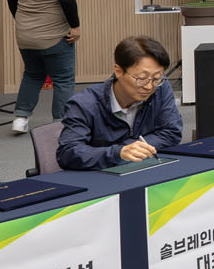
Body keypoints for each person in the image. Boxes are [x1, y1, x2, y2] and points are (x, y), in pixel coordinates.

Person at [55, 36, 183, 170]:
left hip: (145, 169)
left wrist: (132, 148)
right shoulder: (84, 104)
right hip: (101, 176)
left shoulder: (160, 87)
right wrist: (118, 152)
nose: (149, 86)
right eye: (142, 78)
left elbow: (171, 132)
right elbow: (68, 153)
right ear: (118, 71)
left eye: (156, 78)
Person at [5, 0, 78, 135]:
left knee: (32, 74)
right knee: (63, 79)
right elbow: (68, 0)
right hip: (55, 36)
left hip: (25, 36)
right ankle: (60, 123)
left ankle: (20, 118)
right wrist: (76, 27)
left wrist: (22, 20)